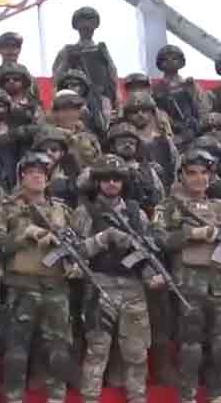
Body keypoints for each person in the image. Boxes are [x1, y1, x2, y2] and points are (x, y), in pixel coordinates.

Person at [72, 154, 162, 403]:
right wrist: (103, 239)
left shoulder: (136, 214)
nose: (111, 183)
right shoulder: (85, 212)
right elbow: (74, 252)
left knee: (136, 351)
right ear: (97, 182)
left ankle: (137, 398)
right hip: (100, 285)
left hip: (133, 287)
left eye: (117, 179)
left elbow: (145, 253)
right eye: (105, 178)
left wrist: (151, 276)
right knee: (97, 350)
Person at [161, 149, 221, 403]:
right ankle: (188, 395)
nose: (199, 178)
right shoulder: (169, 207)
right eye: (192, 173)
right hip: (188, 283)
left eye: (204, 173)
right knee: (191, 345)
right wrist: (191, 235)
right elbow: (158, 240)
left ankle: (218, 394)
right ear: (182, 176)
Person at [0, 151, 78, 403]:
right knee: (16, 353)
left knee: (59, 351)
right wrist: (24, 235)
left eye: (41, 173)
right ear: (21, 177)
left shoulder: (61, 210)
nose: (37, 177)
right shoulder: (8, 208)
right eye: (31, 173)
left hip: (56, 287)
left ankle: (56, 398)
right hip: (21, 287)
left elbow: (78, 244)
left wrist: (71, 255)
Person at [52, 6, 120, 111]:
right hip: (76, 100)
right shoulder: (68, 50)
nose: (87, 26)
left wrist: (117, 96)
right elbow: (56, 79)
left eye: (90, 22)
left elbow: (112, 74)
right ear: (77, 26)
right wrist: (67, 60)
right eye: (83, 23)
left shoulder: (101, 50)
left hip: (101, 99)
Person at [151, 44, 210, 150]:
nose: (170, 61)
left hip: (192, 129)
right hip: (168, 131)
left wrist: (201, 127)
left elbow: (202, 107)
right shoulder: (156, 90)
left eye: (174, 58)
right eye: (165, 59)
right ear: (160, 64)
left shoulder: (190, 85)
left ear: (181, 62)